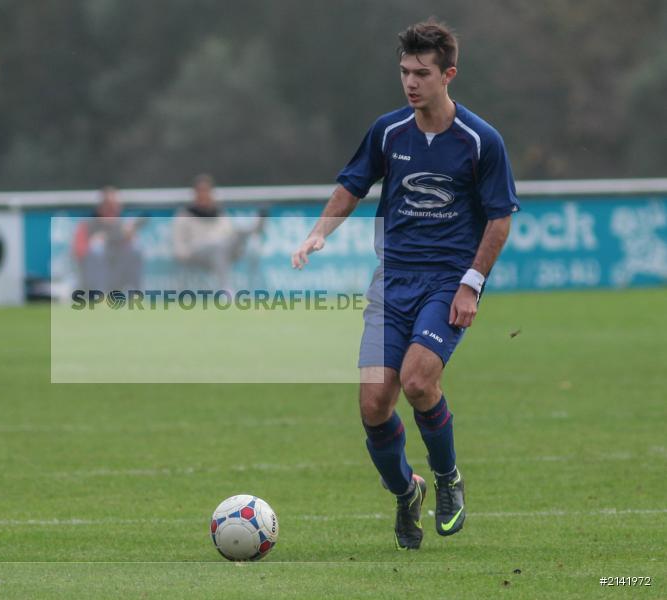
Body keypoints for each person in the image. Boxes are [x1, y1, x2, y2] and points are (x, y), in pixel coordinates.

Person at [291, 20, 518, 550]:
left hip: (445, 284)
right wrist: (318, 234)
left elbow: (500, 219)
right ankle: (405, 492)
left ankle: (447, 479)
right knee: (374, 404)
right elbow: (353, 183)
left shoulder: (481, 141)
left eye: (421, 73)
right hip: (391, 282)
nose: (410, 83)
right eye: (404, 73)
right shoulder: (389, 131)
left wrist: (471, 284)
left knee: (418, 382)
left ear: (448, 75)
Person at [172, 174, 265, 291]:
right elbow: (179, 245)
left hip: (224, 249)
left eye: (206, 191)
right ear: (194, 193)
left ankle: (253, 229)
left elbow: (229, 233)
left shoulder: (220, 213)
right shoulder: (185, 215)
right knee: (218, 246)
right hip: (197, 252)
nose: (204, 194)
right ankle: (226, 289)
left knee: (235, 236)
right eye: (200, 191)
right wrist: (184, 254)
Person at [72, 186, 144, 292]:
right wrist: (93, 242)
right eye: (109, 205)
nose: (113, 209)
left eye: (115, 205)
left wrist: (127, 237)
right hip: (94, 275)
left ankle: (133, 293)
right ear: (101, 206)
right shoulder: (87, 224)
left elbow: (131, 249)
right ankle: (99, 295)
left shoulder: (123, 226)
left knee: (136, 248)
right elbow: (78, 252)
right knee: (97, 248)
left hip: (118, 272)